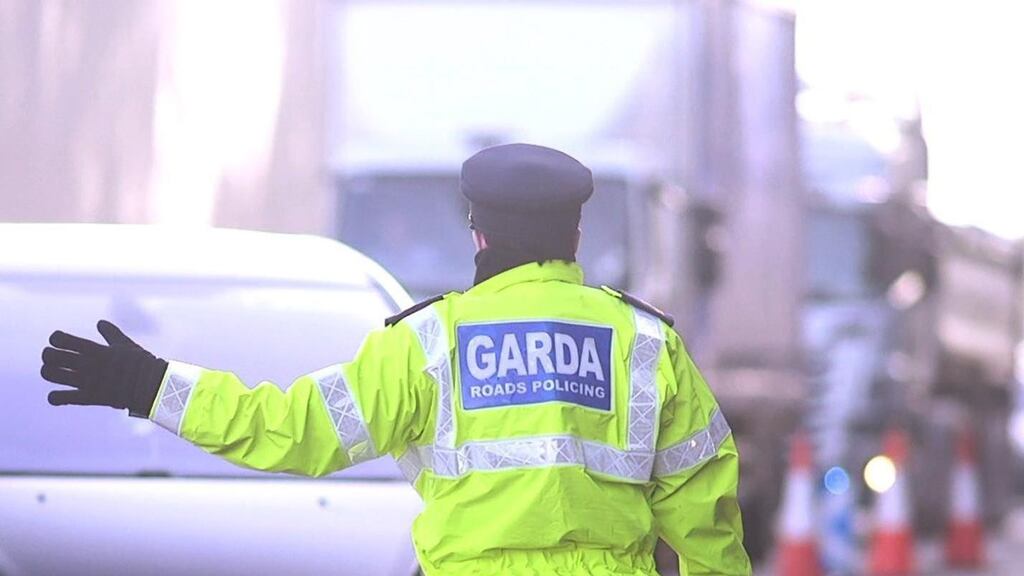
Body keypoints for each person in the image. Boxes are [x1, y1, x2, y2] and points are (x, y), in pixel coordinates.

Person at [40, 143, 751, 575]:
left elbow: (294, 432)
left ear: (479, 235)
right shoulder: (646, 341)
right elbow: (704, 507)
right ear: (576, 231)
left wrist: (153, 386)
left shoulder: (428, 344)